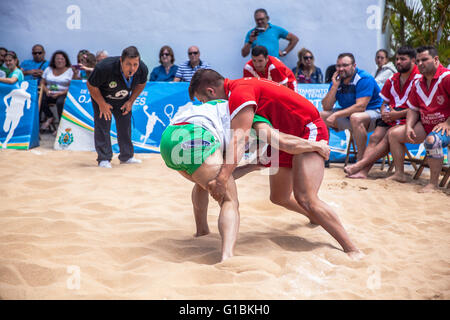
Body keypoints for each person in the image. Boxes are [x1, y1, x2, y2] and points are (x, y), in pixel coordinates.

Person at [189, 69, 363, 259]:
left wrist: (222, 179)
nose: (207, 105)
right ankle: (314, 216)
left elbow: (240, 139)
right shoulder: (239, 89)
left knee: (306, 197)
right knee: (279, 196)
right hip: (281, 136)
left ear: (211, 92)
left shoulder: (239, 92)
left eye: (204, 101)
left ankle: (352, 248)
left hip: (306, 129)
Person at [160, 98, 330, 262]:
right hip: (195, 135)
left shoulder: (223, 108)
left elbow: (220, 177)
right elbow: (283, 142)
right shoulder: (252, 115)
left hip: (169, 139)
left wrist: (250, 167)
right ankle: (227, 256)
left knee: (205, 183)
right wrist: (316, 145)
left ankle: (202, 231)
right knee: (229, 201)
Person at [344, 46, 420, 179]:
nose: (398, 62)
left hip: (409, 118)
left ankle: (359, 166)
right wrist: (384, 111)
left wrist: (396, 114)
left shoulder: (420, 79)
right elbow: (384, 102)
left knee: (388, 137)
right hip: (390, 116)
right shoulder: (392, 79)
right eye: (397, 59)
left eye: (403, 59)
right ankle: (363, 172)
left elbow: (418, 108)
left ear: (413, 60)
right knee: (374, 137)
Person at [387, 46, 450, 193]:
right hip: (427, 124)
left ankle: (433, 184)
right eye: (419, 60)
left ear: (436, 60)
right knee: (394, 134)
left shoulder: (446, 77)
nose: (420, 63)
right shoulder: (417, 83)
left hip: (445, 126)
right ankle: (399, 173)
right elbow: (413, 109)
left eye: (425, 60)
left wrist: (447, 123)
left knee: (432, 141)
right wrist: (409, 126)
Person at [87, 46, 149, 168]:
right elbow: (91, 85)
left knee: (125, 125)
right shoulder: (104, 67)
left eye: (135, 64)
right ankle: (104, 159)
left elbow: (142, 84)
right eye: (128, 64)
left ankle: (127, 157)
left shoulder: (142, 69)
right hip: (103, 98)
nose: (132, 68)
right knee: (103, 125)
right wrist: (102, 104)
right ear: (121, 61)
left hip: (123, 99)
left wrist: (131, 101)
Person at [321, 52, 383, 161]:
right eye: (338, 66)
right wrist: (334, 86)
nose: (341, 69)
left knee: (356, 117)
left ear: (354, 66)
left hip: (374, 113)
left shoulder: (364, 78)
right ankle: (324, 156)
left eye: (345, 65)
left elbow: (360, 107)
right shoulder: (337, 80)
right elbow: (326, 107)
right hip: (350, 115)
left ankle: (361, 159)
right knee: (321, 116)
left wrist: (336, 115)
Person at [40, 50, 74, 133]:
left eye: (62, 59)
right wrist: (47, 90)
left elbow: (72, 86)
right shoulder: (48, 69)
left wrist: (60, 93)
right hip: (49, 92)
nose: (59, 61)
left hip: (63, 93)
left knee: (60, 102)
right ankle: (50, 116)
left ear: (66, 60)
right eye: (57, 59)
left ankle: (61, 126)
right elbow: (42, 83)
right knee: (41, 100)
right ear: (53, 60)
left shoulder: (70, 71)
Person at [2, 82, 31, 149]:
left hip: (18, 113)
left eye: (26, 85)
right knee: (5, 129)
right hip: (10, 111)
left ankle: (5, 142)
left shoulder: (27, 95)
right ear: (21, 85)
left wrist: (26, 104)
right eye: (24, 85)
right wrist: (7, 106)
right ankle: (3, 139)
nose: (25, 86)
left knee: (13, 128)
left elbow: (28, 106)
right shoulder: (15, 91)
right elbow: (5, 98)